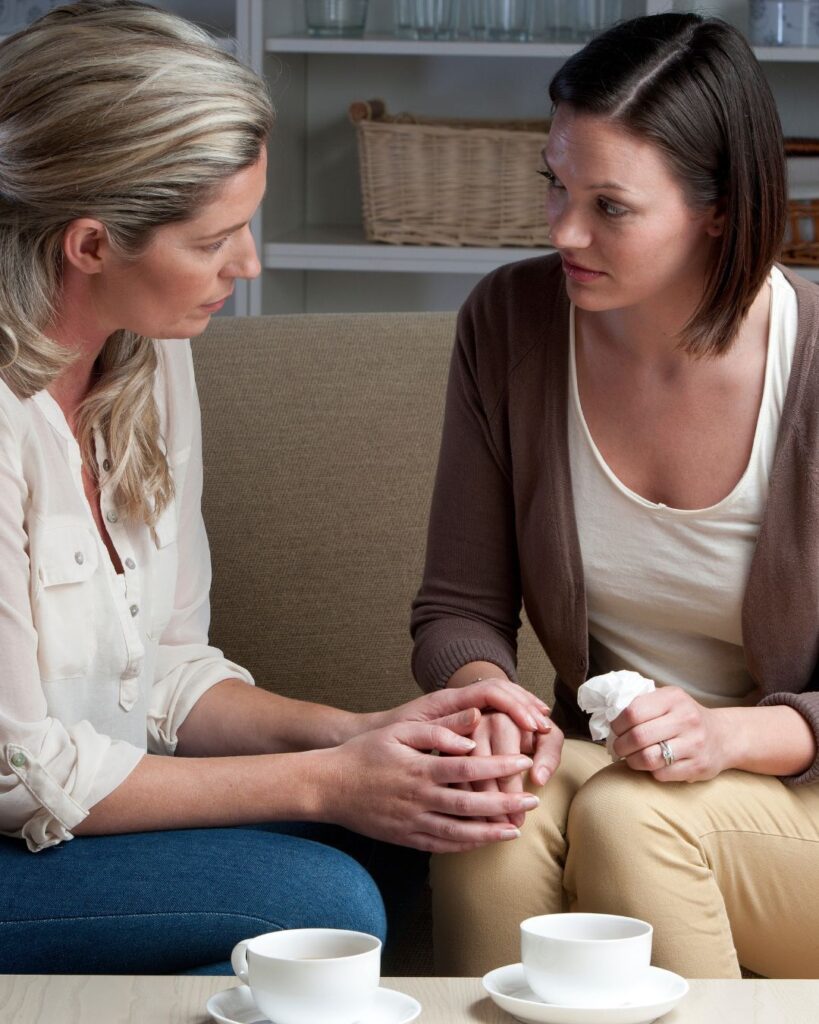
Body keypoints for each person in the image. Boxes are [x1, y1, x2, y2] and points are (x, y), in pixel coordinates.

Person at [0, 0, 552, 975]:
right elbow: (24, 774)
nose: (247, 265)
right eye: (216, 240)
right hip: (23, 829)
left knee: (418, 839)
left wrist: (367, 735)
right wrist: (328, 781)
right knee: (320, 899)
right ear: (89, 244)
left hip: (88, 816)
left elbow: (167, 670)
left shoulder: (149, 358)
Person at [412, 12, 819, 981]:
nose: (564, 229)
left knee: (633, 821)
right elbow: (457, 612)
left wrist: (725, 733)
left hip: (789, 790)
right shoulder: (508, 325)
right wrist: (490, 702)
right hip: (613, 768)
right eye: (555, 184)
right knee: (488, 821)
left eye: (611, 206)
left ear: (718, 208)